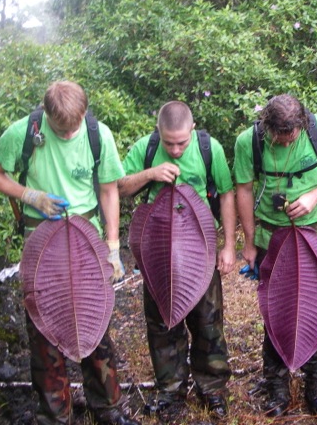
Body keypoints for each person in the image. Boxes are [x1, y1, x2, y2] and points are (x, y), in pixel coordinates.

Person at [0, 81, 139, 425]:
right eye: (60, 129)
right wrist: (29, 195)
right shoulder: (25, 132)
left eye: (73, 127)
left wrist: (113, 247)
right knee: (44, 330)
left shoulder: (99, 135)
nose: (68, 134)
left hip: (86, 240)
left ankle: (108, 408)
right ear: (47, 115)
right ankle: (55, 415)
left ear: (84, 113)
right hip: (41, 242)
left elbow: (110, 190)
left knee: (94, 325)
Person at [233, 94, 317, 418]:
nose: (286, 143)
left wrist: (315, 196)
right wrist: (248, 242)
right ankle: (276, 385)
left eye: (291, 137)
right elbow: (244, 189)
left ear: (301, 125)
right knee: (276, 309)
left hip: (315, 234)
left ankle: (316, 385)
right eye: (279, 138)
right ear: (267, 128)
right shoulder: (249, 141)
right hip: (271, 237)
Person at [118, 101, 235, 419]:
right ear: (159, 132)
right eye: (169, 142)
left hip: (199, 247)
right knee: (162, 324)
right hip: (157, 250)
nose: (175, 148)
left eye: (181, 142)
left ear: (192, 130)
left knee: (208, 320)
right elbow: (120, 186)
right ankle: (170, 390)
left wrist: (228, 246)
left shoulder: (209, 148)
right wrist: (151, 173)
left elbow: (226, 193)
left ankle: (212, 388)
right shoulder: (147, 147)